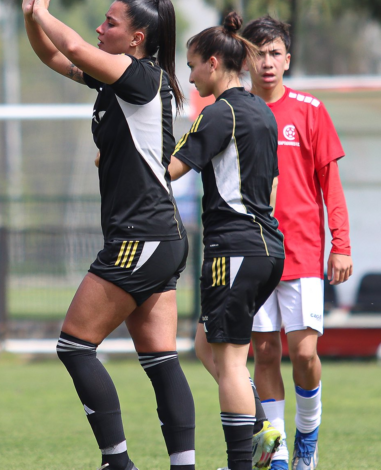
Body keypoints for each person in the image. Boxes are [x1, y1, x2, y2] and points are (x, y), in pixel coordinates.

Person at [23, 1, 196, 469]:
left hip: (142, 237)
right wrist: (30, 18)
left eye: (111, 23)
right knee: (161, 361)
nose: (100, 29)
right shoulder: (121, 79)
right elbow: (56, 58)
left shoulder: (140, 76)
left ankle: (117, 464)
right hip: (158, 237)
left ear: (137, 38)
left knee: (75, 346)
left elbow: (74, 45)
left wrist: (44, 12)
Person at [168, 12, 285, 470]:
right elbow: (271, 189)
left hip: (234, 248)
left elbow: (170, 169)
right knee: (206, 346)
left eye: (193, 64)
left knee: (232, 362)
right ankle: (263, 434)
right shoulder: (263, 111)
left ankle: (243, 465)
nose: (191, 74)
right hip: (267, 249)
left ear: (214, 63)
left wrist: (120, 154)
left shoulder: (219, 113)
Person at [242, 16, 352, 470]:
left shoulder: (310, 110)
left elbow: (331, 186)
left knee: (304, 351)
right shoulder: (235, 109)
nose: (266, 62)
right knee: (264, 352)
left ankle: (308, 432)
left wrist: (340, 244)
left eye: (274, 53)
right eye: (258, 53)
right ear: (246, 57)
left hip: (303, 251)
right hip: (250, 252)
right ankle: (278, 452)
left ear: (287, 59)